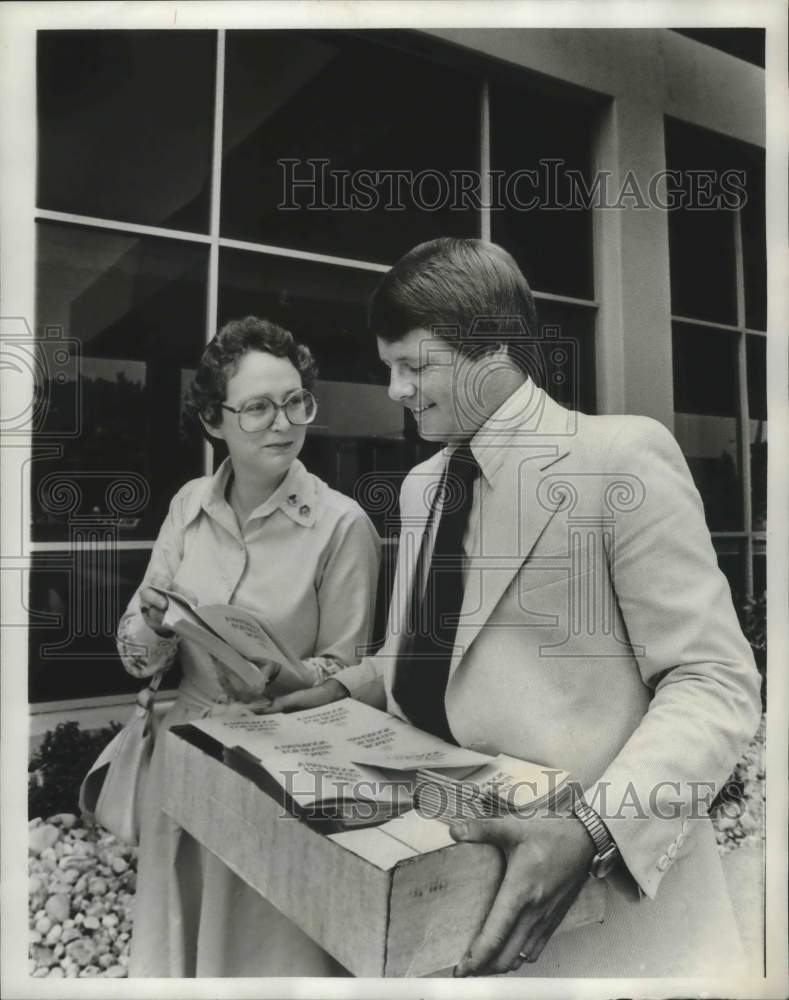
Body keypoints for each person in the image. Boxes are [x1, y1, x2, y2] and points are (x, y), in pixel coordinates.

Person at [267, 238, 762, 978]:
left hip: (608, 928)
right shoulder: (419, 488)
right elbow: (429, 652)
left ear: (493, 347)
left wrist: (593, 829)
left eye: (414, 365)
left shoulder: (618, 459)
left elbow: (715, 684)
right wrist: (342, 689)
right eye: (387, 369)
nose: (395, 390)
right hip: (445, 886)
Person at [116, 316, 380, 976]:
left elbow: (348, 670)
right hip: (183, 757)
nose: (282, 423)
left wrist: (288, 677)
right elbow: (137, 657)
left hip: (283, 773)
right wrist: (151, 621)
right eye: (258, 407)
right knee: (182, 941)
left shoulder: (342, 524)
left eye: (295, 402)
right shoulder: (187, 506)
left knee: (265, 955)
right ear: (214, 420)